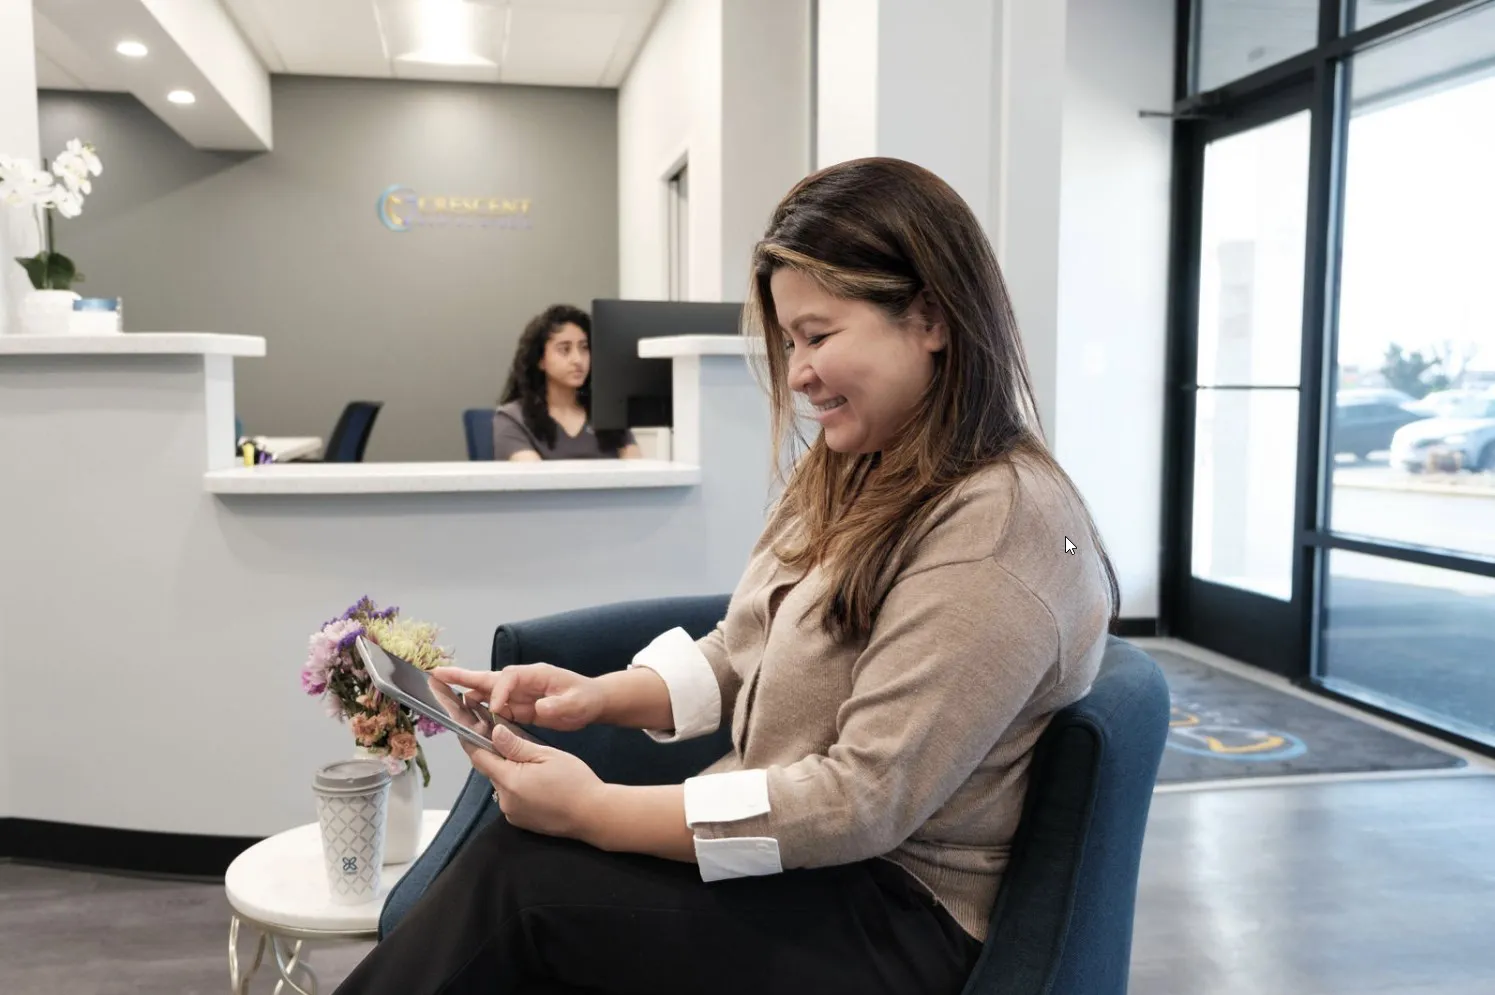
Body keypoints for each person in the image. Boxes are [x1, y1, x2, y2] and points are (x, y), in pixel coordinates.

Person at [333, 158, 1118, 995]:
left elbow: (861, 800)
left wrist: (596, 810)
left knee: (521, 892)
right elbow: (742, 645)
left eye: (818, 335)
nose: (798, 372)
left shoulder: (998, 524)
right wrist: (596, 695)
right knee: (520, 858)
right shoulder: (854, 466)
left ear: (928, 317)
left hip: (891, 910)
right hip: (807, 867)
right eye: (788, 342)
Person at [493, 304, 641, 461]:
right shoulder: (513, 418)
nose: (578, 360)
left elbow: (637, 473)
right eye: (565, 349)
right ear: (540, 360)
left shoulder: (608, 414)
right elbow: (537, 481)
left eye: (584, 348)